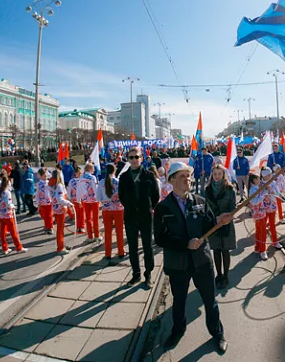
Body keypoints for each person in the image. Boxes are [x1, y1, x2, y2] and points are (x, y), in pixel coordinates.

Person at [153, 161, 228, 353]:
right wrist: (185, 244)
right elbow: (160, 238)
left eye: (188, 176)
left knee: (210, 301)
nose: (187, 179)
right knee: (179, 301)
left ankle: (217, 333)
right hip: (178, 264)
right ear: (171, 181)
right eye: (182, 176)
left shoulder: (200, 202)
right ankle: (178, 330)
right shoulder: (162, 208)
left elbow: (210, 226)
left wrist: (221, 221)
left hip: (202, 261)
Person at [118, 147, 161, 288]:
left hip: (145, 216)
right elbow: (121, 196)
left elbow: (155, 196)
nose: (134, 160)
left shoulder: (149, 175)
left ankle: (148, 274)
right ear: (128, 160)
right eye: (131, 157)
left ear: (141, 158)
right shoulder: (124, 177)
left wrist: (147, 207)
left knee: (148, 246)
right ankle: (136, 274)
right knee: (132, 247)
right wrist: (131, 206)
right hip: (130, 216)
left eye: (136, 157)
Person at [204, 163, 237, 289]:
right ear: (212, 175)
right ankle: (218, 274)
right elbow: (206, 207)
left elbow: (233, 207)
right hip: (213, 224)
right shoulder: (207, 190)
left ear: (223, 175)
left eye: (219, 174)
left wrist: (225, 216)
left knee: (225, 251)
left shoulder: (229, 189)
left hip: (226, 222)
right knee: (216, 251)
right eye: (215, 174)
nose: (217, 176)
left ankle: (226, 276)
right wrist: (214, 218)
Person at [97, 164, 125, 261]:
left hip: (106, 210)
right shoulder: (118, 182)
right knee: (119, 231)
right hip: (118, 210)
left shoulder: (101, 183)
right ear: (114, 171)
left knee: (107, 232)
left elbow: (98, 198)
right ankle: (121, 252)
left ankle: (107, 253)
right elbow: (123, 197)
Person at [0, 175, 28, 255]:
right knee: (13, 232)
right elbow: (8, 204)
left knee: (2, 233)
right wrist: (13, 206)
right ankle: (18, 247)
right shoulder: (7, 193)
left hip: (1, 215)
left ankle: (5, 248)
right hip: (8, 215)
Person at [50, 170, 74, 254]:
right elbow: (60, 199)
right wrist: (69, 203)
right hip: (60, 209)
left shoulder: (51, 185)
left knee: (60, 228)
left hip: (55, 209)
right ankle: (60, 247)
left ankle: (61, 244)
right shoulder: (58, 186)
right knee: (60, 229)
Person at [78, 163, 101, 242]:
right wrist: (99, 198)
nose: (94, 170)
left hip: (85, 200)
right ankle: (97, 235)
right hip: (94, 200)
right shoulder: (93, 177)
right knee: (95, 218)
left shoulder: (81, 178)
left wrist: (78, 200)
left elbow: (78, 190)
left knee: (88, 218)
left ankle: (90, 236)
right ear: (90, 169)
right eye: (93, 168)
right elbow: (95, 188)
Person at [68, 169, 87, 234]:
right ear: (75, 173)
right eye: (78, 173)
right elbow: (69, 189)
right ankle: (78, 227)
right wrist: (69, 198)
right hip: (75, 199)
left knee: (82, 213)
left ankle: (82, 227)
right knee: (77, 214)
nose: (80, 174)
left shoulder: (82, 180)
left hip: (82, 199)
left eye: (80, 173)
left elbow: (85, 189)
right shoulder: (72, 181)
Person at [36, 168, 53, 234]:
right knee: (44, 215)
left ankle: (50, 227)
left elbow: (52, 192)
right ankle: (46, 225)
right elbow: (37, 193)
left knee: (49, 215)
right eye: (44, 176)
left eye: (46, 176)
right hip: (42, 202)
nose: (45, 177)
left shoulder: (49, 183)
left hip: (49, 201)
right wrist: (38, 202)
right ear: (40, 176)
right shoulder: (39, 184)